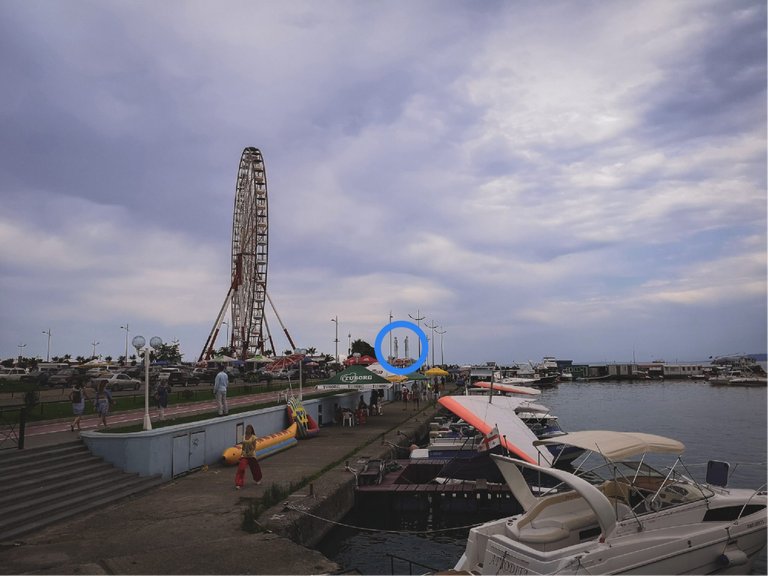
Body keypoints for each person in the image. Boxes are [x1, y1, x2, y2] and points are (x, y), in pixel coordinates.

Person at [235, 424, 262, 490]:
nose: (248, 430)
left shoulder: (253, 437)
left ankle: (257, 479)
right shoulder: (244, 437)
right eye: (247, 428)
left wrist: (250, 453)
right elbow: (243, 447)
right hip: (244, 455)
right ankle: (238, 483)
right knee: (241, 468)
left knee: (255, 468)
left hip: (251, 455)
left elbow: (254, 447)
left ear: (251, 430)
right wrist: (242, 454)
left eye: (249, 429)